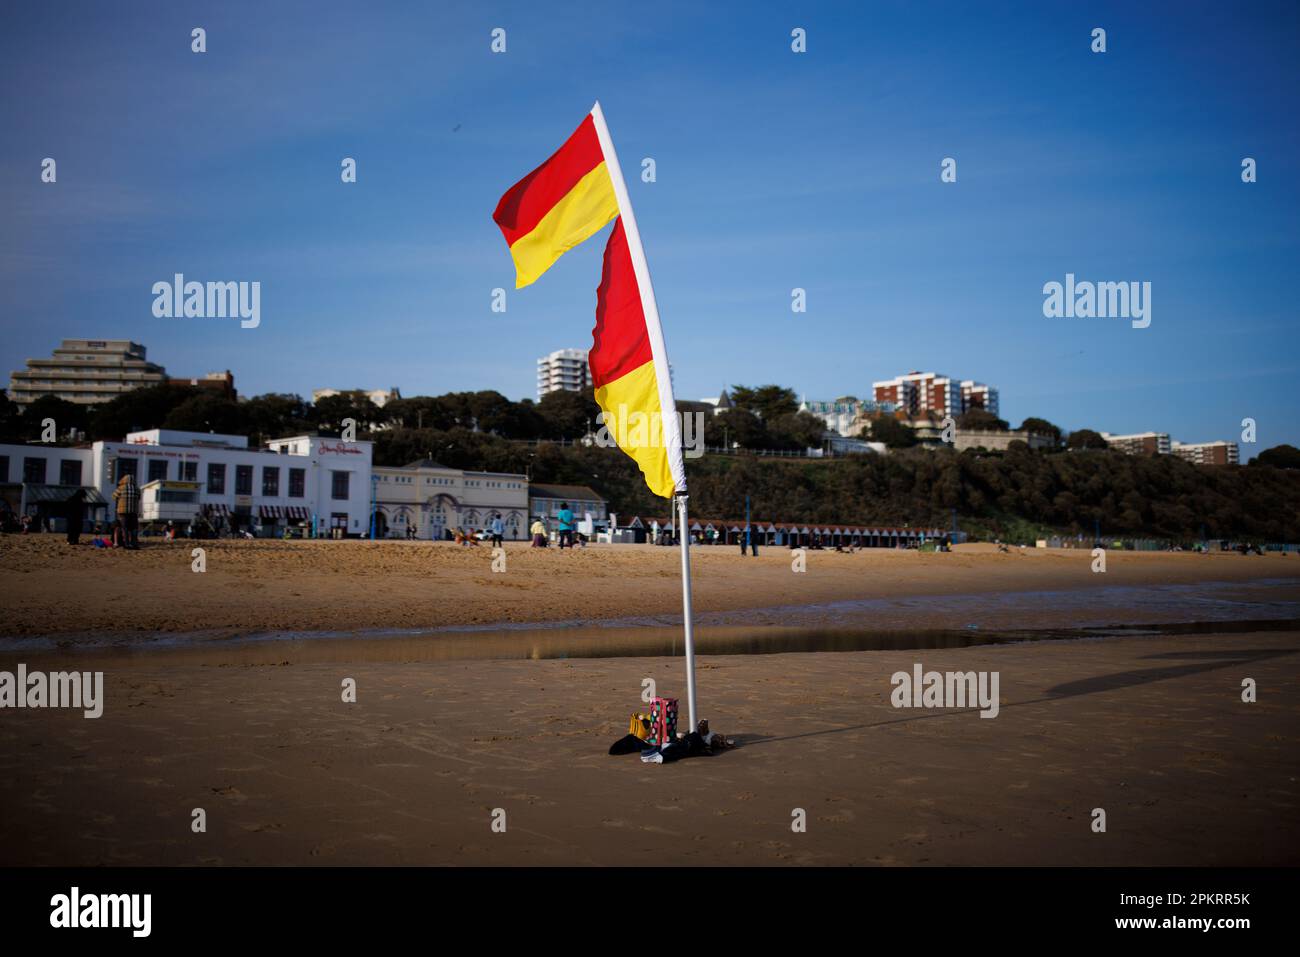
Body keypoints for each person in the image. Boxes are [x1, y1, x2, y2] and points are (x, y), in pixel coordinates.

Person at [113, 473, 141, 550]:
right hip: (134, 511)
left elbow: (114, 496)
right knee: (134, 528)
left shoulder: (120, 488)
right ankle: (134, 544)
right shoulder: (137, 489)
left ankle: (126, 544)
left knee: (124, 528)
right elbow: (139, 498)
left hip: (123, 512)